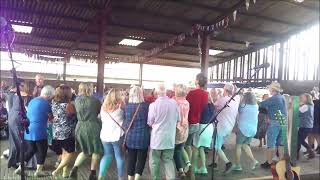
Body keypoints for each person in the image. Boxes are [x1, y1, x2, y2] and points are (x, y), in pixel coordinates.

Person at [15, 85, 55, 177]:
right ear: (49, 95)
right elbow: (51, 118)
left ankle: (20, 168)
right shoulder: (46, 103)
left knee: (31, 150)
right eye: (52, 96)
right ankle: (39, 171)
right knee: (42, 150)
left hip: (29, 130)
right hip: (39, 130)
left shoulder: (32, 101)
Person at [69, 83, 103, 180]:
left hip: (79, 126)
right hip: (92, 127)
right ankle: (92, 174)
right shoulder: (95, 101)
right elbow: (99, 113)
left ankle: (74, 169)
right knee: (96, 150)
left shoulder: (76, 100)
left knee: (85, 150)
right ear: (90, 89)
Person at [148, 84, 179, 180]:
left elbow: (149, 122)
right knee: (168, 161)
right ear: (166, 92)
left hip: (157, 139)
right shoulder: (174, 103)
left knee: (154, 162)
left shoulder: (153, 105)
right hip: (169, 137)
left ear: (156, 93)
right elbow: (178, 119)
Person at [213, 83, 240, 173]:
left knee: (217, 146)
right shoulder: (236, 100)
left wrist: (216, 96)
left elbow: (213, 105)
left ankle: (228, 163)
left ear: (225, 90)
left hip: (221, 126)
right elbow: (236, 95)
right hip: (229, 127)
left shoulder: (222, 100)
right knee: (219, 144)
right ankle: (215, 162)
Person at [124, 85, 150, 180]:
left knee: (131, 158)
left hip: (130, 137)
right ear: (141, 94)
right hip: (143, 136)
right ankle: (137, 178)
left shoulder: (126, 106)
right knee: (142, 158)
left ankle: (130, 178)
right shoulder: (146, 106)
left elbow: (126, 122)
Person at [51, 85, 77, 178]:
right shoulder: (69, 105)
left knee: (64, 153)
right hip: (67, 133)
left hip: (56, 131)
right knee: (70, 153)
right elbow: (74, 117)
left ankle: (65, 172)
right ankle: (57, 170)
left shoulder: (53, 103)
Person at [99, 88, 125, 180]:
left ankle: (101, 176)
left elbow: (101, 119)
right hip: (117, 136)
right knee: (119, 157)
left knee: (107, 155)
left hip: (105, 136)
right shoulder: (121, 106)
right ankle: (120, 178)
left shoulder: (103, 107)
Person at [185, 73, 208, 176]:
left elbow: (186, 107)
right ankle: (188, 166)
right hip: (197, 122)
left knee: (182, 146)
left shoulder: (191, 93)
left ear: (197, 81)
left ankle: (187, 166)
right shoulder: (206, 94)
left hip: (189, 122)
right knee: (189, 145)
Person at [6, 81, 33, 169]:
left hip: (12, 117)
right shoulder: (26, 96)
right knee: (20, 142)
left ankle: (12, 161)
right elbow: (28, 110)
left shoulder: (13, 95)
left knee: (13, 141)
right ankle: (19, 162)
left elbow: (9, 107)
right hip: (19, 118)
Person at [260, 82, 287, 169]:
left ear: (272, 89)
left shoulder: (273, 98)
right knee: (280, 143)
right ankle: (281, 161)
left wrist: (264, 100)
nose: (269, 90)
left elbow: (261, 104)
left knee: (271, 143)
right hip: (282, 120)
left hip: (275, 121)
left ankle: (269, 162)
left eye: (270, 88)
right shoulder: (282, 97)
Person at [232, 92, 260, 171]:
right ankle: (254, 161)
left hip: (243, 128)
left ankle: (238, 165)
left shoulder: (243, 106)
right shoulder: (256, 106)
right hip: (253, 129)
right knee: (245, 145)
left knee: (238, 146)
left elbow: (238, 111)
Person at [193, 92, 215, 175]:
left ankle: (194, 167)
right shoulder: (212, 105)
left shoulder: (202, 106)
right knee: (201, 148)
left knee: (196, 148)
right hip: (209, 127)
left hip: (202, 127)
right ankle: (203, 167)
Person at [173, 84, 190, 177]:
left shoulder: (175, 103)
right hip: (185, 128)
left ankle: (180, 170)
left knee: (175, 152)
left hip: (176, 129)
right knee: (180, 149)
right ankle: (186, 165)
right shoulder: (187, 102)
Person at [297, 93, 315, 159]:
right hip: (307, 126)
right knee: (299, 140)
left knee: (300, 140)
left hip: (305, 126)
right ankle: (297, 154)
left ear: (307, 98)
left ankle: (311, 152)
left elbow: (297, 112)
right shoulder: (310, 105)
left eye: (302, 97)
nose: (301, 98)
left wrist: (298, 105)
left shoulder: (305, 106)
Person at [308, 89, 320, 154]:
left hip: (315, 120)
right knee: (315, 135)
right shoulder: (315, 102)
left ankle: (310, 149)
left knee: (313, 135)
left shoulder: (316, 102)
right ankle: (311, 148)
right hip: (315, 120)